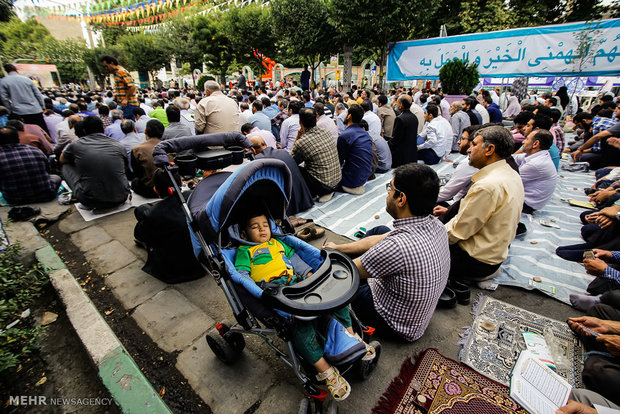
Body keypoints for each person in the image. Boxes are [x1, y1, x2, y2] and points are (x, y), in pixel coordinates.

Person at [235, 212, 374, 401]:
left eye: (265, 225)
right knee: (300, 326)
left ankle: (352, 337)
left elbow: (296, 260)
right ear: (243, 235)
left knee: (336, 300)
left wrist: (309, 274)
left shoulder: (278, 243)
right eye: (255, 226)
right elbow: (242, 276)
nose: (262, 229)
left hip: (297, 281)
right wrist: (259, 293)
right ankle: (326, 372)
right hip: (276, 291)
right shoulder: (244, 251)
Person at [325, 164, 450, 341]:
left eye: (390, 188)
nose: (388, 193)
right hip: (416, 318)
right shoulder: (435, 224)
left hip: (394, 326)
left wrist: (327, 260)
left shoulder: (397, 247)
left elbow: (345, 272)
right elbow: (379, 239)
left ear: (401, 199)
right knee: (380, 231)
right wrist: (338, 248)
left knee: (338, 280)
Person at [445, 125, 524, 282]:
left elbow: (457, 232)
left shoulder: (487, 186)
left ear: (489, 150)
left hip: (476, 262)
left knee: (413, 255)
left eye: (474, 144)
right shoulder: (510, 173)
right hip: (494, 256)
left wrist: (425, 239)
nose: (469, 149)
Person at [134, 168, 204, 284]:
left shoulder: (154, 214)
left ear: (156, 189)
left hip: (174, 272)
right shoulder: (194, 196)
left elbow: (139, 234)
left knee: (141, 211)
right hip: (202, 264)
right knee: (142, 210)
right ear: (181, 183)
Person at [60, 116, 130, 210]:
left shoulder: (76, 145)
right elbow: (124, 168)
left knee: (65, 166)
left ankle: (85, 191)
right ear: (103, 128)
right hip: (122, 196)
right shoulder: (119, 145)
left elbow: (62, 160)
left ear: (84, 130)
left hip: (91, 200)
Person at [248, 136, 314, 215]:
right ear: (265, 144)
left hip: (287, 208)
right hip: (304, 201)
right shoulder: (283, 152)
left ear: (253, 150)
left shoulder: (258, 161)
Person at [0, 126, 61, 205]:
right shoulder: (35, 150)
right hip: (46, 195)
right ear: (18, 139)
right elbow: (47, 171)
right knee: (57, 177)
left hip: (14, 199)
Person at [291, 107, 341, 202]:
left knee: (294, 168)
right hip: (337, 181)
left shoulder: (302, 141)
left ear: (300, 122)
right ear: (316, 118)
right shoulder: (326, 132)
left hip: (324, 186)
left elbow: (291, 161)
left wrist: (297, 137)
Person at [513, 129, 558, 213]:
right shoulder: (537, 155)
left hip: (526, 205)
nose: (523, 142)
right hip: (526, 199)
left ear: (535, 144)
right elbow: (512, 158)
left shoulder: (536, 164)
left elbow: (508, 181)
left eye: (526, 139)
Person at [0, 64, 48, 134]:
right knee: (42, 131)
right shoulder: (27, 80)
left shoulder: (3, 81)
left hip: (19, 111)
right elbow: (38, 95)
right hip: (35, 109)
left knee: (26, 132)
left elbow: (4, 98)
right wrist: (43, 106)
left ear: (6, 71)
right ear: (16, 70)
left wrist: (10, 109)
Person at [337, 104, 374, 195]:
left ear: (349, 116)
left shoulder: (344, 136)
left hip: (351, 180)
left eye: (346, 113)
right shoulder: (365, 133)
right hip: (365, 176)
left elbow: (338, 161)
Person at [130, 119, 165, 198]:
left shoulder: (137, 150)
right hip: (169, 185)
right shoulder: (169, 145)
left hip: (151, 189)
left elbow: (137, 173)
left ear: (145, 131)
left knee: (135, 182)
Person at [100, 56, 139, 121]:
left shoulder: (122, 71)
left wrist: (126, 99)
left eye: (106, 66)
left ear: (112, 63)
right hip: (124, 105)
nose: (106, 68)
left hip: (129, 104)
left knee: (123, 124)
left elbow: (132, 86)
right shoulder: (116, 73)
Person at [361, 101, 391, 172]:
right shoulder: (374, 116)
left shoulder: (369, 139)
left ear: (363, 129)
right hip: (388, 164)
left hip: (382, 166)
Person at [389, 94, 419, 167]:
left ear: (401, 105)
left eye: (397, 103)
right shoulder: (414, 117)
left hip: (401, 157)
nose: (396, 104)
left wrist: (387, 144)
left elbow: (396, 139)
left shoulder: (400, 118)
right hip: (412, 154)